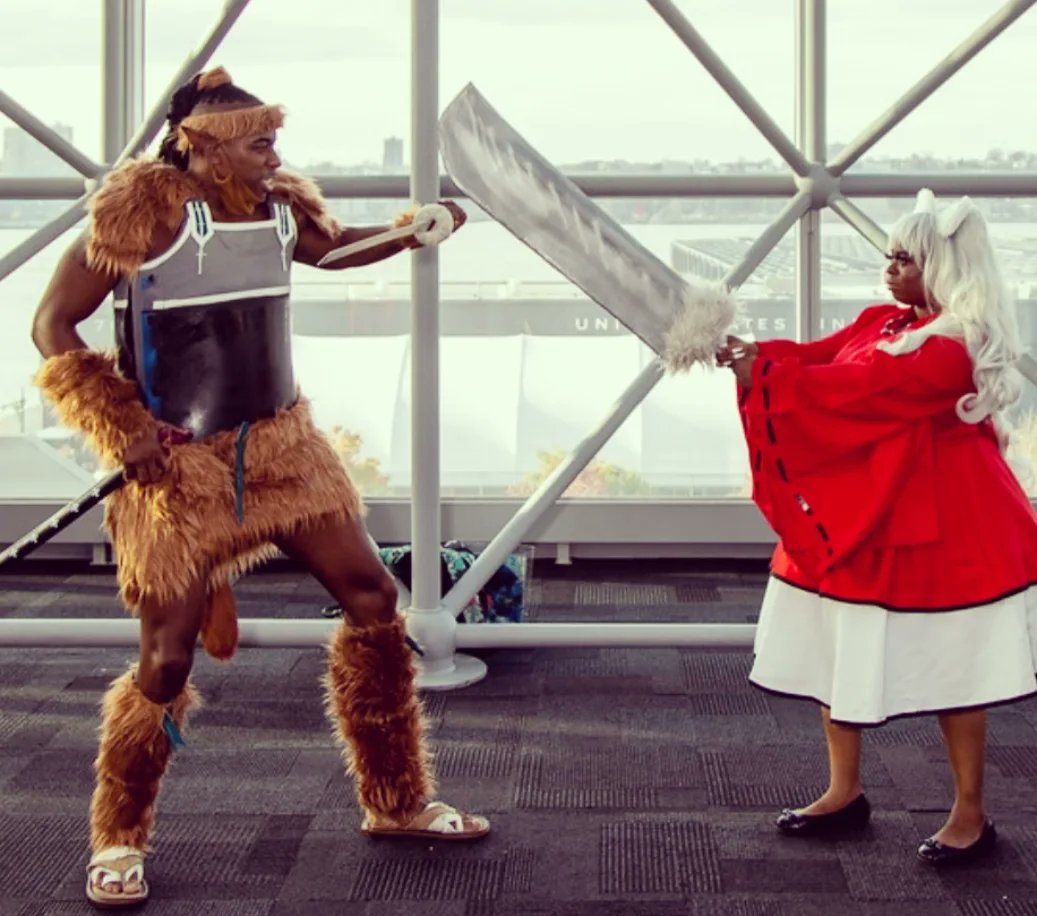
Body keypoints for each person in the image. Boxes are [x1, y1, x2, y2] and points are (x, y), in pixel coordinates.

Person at [31, 67, 488, 909]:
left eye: (273, 139)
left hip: (285, 449)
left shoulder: (277, 208)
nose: (274, 152)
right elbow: (52, 323)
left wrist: (416, 231)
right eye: (258, 140)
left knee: (373, 599)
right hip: (177, 472)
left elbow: (333, 250)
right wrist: (122, 426)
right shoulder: (142, 212)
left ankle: (395, 800)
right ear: (200, 145)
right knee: (167, 657)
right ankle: (118, 835)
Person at [717, 189, 1037, 865]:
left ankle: (970, 813)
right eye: (889, 255)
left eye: (904, 259)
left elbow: (860, 390)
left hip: (946, 526)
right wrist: (759, 354)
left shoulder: (955, 346)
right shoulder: (882, 321)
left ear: (944, 266)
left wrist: (762, 373)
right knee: (840, 645)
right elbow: (824, 358)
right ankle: (844, 791)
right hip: (870, 511)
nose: (889, 269)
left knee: (958, 667)